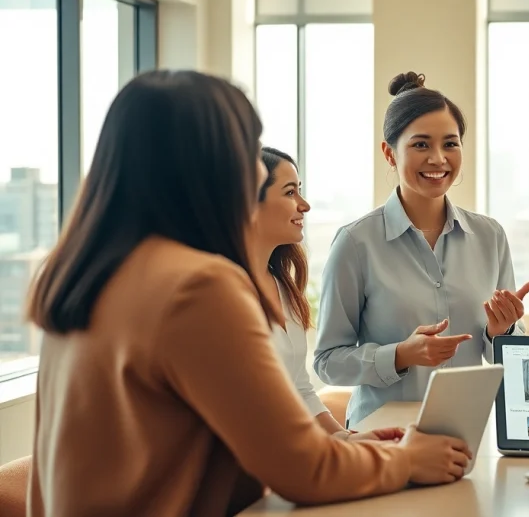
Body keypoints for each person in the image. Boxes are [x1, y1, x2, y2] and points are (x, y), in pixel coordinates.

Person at [25, 70, 472, 517]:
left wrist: (353, 449)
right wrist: (408, 459)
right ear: (211, 163)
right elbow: (303, 469)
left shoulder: (81, 275)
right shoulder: (198, 287)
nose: (260, 166)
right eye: (248, 147)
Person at [314, 71, 529, 426]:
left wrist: (503, 333)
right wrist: (401, 355)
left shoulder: (489, 236)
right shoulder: (356, 243)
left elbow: (512, 360)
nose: (438, 159)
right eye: (421, 145)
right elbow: (327, 361)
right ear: (389, 153)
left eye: (450, 143)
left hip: (468, 435)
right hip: (383, 438)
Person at [250, 146, 395, 440]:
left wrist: (346, 439)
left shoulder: (284, 287)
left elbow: (300, 388)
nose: (304, 205)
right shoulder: (221, 293)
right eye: (290, 192)